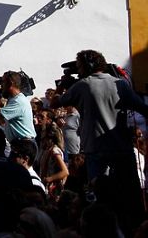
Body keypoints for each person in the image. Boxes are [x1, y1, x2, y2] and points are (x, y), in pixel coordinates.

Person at [52, 49, 148, 229]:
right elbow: (142, 107)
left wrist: (63, 85)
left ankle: (102, 228)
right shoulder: (120, 84)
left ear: (85, 66)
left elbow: (55, 103)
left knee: (99, 196)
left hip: (96, 150)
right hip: (122, 148)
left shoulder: (82, 86)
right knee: (130, 194)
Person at [0, 71, 37, 144]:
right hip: (18, 142)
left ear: (11, 83)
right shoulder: (13, 99)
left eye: (3, 82)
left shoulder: (18, 101)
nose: (1, 85)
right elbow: (1, 120)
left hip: (24, 143)